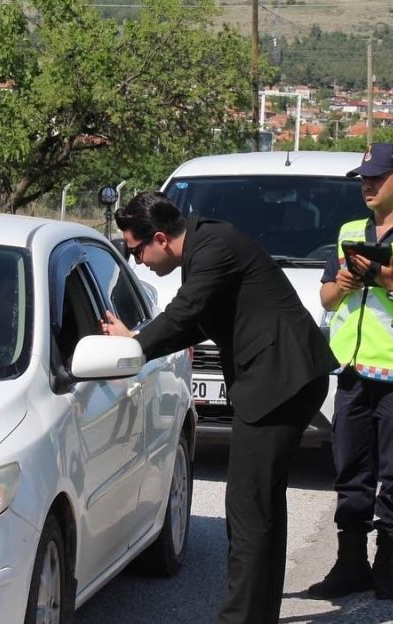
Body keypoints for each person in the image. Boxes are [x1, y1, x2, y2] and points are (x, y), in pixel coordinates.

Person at [102, 191, 338, 624]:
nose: (138, 262)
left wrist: (134, 346)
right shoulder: (204, 245)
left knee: (247, 509)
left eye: (137, 251)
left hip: (280, 381)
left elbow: (184, 312)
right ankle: (256, 614)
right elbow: (190, 322)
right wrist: (136, 338)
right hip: (282, 378)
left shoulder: (213, 247)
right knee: (261, 505)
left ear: (160, 237)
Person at [310, 143, 393, 600]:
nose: (367, 185)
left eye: (376, 178)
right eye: (363, 179)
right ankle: (350, 562)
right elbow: (325, 298)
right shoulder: (348, 231)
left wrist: (387, 280)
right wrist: (341, 283)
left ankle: (387, 562)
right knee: (351, 471)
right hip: (353, 372)